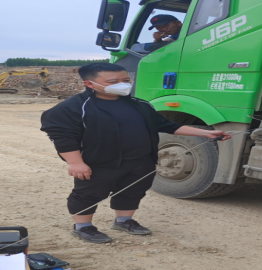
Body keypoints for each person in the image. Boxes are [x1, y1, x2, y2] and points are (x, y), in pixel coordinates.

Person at [40, 63, 231, 244]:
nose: (122, 85)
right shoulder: (74, 107)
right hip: (99, 162)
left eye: (125, 80)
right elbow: (62, 136)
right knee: (88, 194)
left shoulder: (140, 104)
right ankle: (83, 227)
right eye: (113, 82)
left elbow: (167, 125)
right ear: (90, 84)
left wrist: (205, 133)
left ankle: (124, 221)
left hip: (141, 160)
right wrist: (75, 162)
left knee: (133, 191)